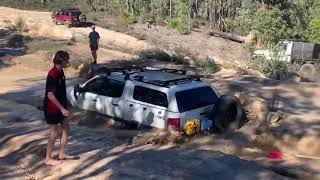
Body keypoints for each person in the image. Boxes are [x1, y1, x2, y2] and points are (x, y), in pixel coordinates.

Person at [43, 50, 72, 166]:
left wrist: (66, 106)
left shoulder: (61, 72)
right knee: (54, 133)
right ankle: (48, 159)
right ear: (62, 61)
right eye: (67, 60)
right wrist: (62, 109)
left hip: (61, 106)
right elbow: (50, 95)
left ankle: (62, 153)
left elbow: (61, 92)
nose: (68, 62)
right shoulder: (52, 74)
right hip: (52, 108)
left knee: (65, 127)